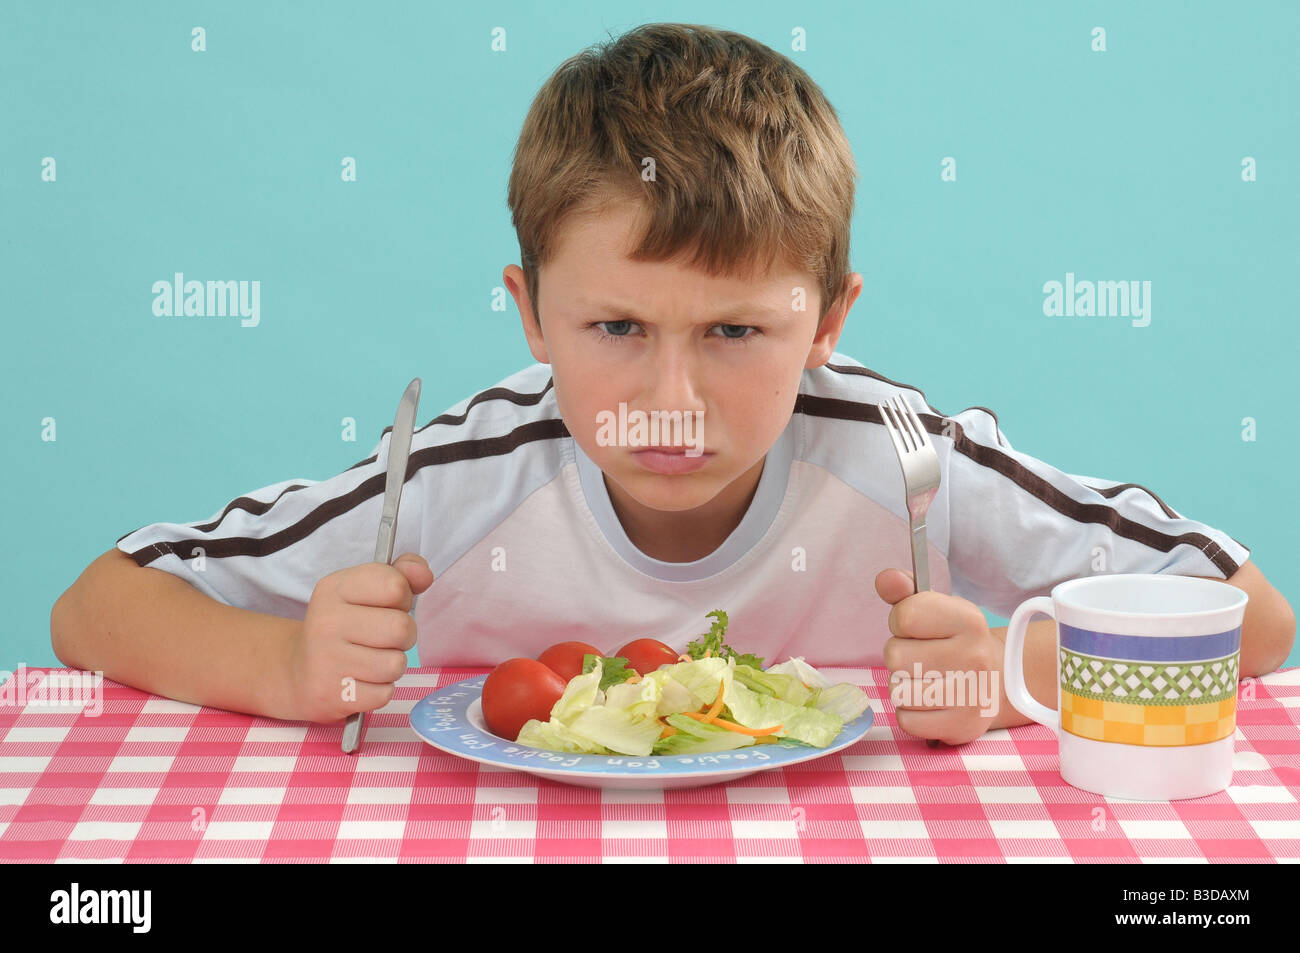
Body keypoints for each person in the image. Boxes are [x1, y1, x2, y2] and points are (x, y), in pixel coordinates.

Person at [51, 23, 1295, 746]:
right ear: (530, 311)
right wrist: (284, 670)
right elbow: (95, 607)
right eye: (613, 325)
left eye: (737, 332)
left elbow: (1254, 618)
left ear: (830, 322)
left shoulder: (904, 455)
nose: (671, 397)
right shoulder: (456, 474)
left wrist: (1014, 683)